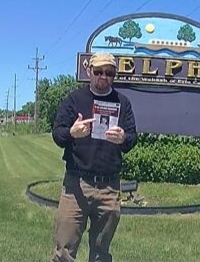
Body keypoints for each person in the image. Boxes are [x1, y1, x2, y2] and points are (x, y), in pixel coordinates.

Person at [51, 52, 137, 262]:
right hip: (76, 185)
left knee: (100, 254)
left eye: (108, 72)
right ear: (89, 71)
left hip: (109, 187)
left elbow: (133, 138)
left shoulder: (122, 103)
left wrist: (123, 138)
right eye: (98, 72)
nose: (103, 77)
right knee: (64, 252)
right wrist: (71, 133)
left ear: (114, 75)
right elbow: (57, 134)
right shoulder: (74, 99)